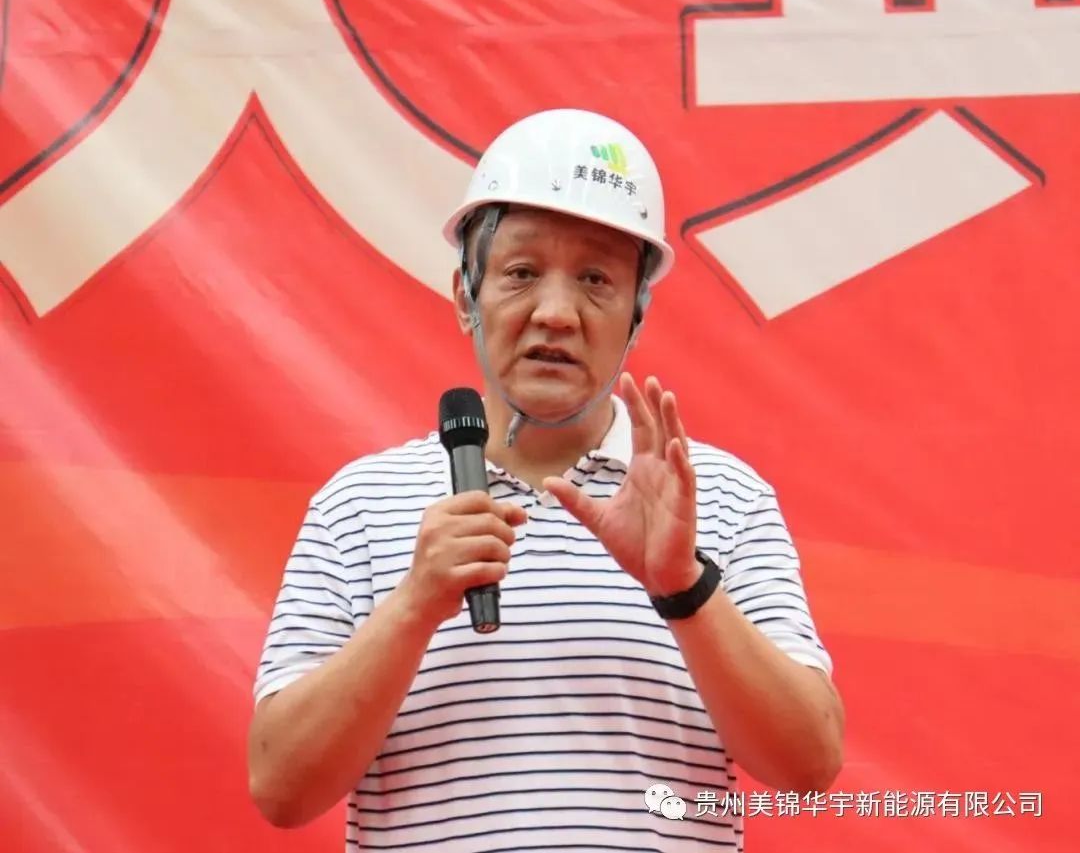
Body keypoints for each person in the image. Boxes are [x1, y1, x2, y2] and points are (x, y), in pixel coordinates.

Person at [248, 108, 844, 851]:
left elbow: (808, 764)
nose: (556, 314)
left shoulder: (717, 497)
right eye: (521, 273)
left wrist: (684, 587)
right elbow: (280, 785)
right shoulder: (360, 505)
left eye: (596, 279)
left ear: (637, 314)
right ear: (466, 297)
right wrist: (413, 604)